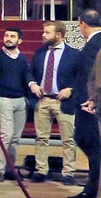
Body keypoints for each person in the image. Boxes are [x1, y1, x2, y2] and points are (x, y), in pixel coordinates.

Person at [27, 21, 81, 184]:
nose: (43, 35)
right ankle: (41, 170)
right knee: (41, 138)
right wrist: (32, 84)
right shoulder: (40, 52)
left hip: (63, 101)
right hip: (43, 100)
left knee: (68, 140)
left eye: (47, 32)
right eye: (44, 32)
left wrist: (71, 89)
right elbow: (30, 72)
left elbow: (82, 77)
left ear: (58, 35)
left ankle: (68, 173)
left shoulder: (74, 54)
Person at [0, 28, 32, 181]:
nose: (8, 39)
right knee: (6, 135)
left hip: (20, 100)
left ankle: (10, 168)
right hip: (3, 99)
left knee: (15, 138)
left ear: (20, 41)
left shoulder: (22, 59)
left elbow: (26, 75)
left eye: (12, 36)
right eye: (6, 35)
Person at [76, 9, 101, 198]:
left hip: (92, 105)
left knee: (92, 145)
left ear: (82, 23)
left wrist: (91, 100)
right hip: (92, 102)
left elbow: (93, 77)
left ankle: (94, 189)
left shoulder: (96, 44)